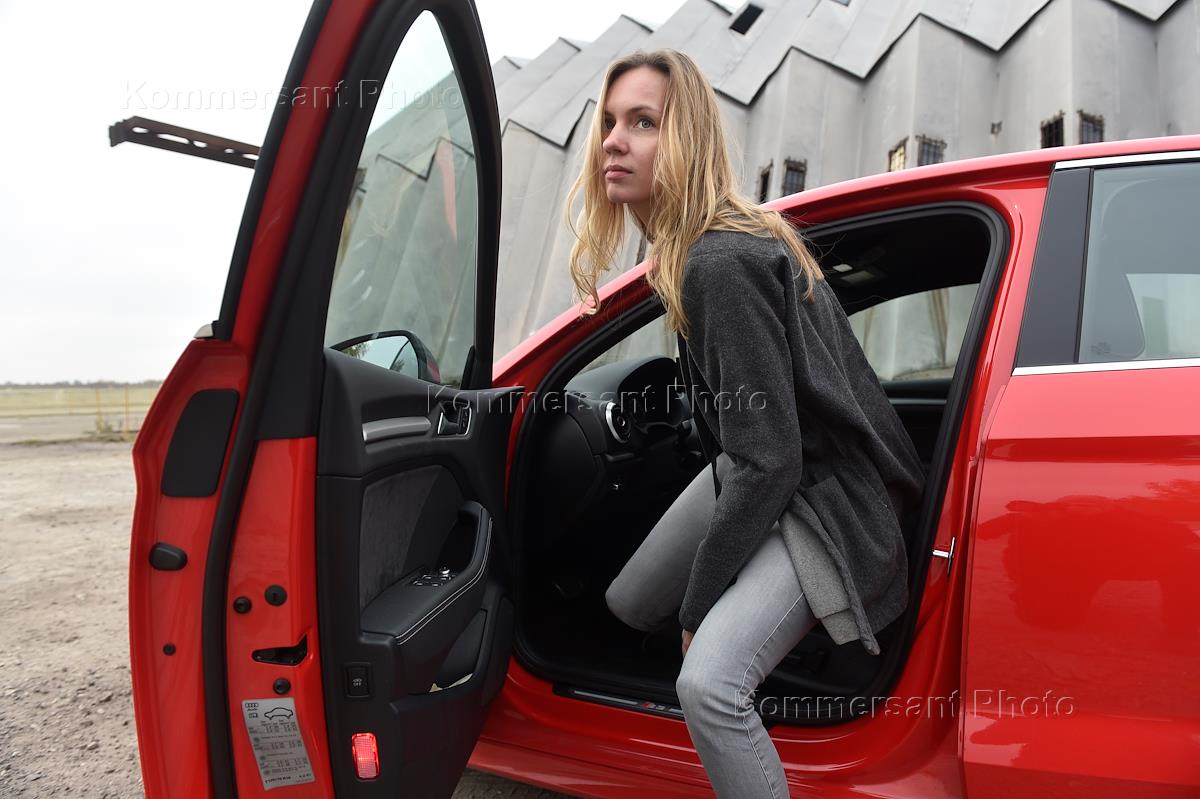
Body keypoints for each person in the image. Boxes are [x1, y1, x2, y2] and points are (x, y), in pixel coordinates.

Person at [562, 49, 926, 799]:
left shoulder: (718, 265)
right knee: (630, 603)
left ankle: (733, 709)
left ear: (686, 138)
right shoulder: (699, 250)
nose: (614, 141)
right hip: (764, 466)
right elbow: (755, 435)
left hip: (825, 500)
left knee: (709, 684)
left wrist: (702, 607)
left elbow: (772, 460)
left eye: (643, 123)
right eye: (609, 122)